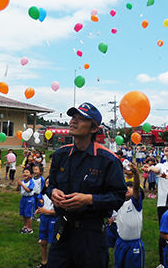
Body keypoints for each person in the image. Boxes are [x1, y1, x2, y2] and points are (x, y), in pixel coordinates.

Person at [46, 102, 126, 268]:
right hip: (62, 230)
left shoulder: (108, 160)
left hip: (92, 235)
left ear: (94, 128)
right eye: (73, 117)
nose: (73, 121)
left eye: (81, 119)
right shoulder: (61, 155)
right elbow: (50, 184)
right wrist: (52, 192)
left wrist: (89, 199)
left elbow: (118, 197)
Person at [114, 163, 145, 268]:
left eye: (130, 187)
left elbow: (136, 188)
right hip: (120, 243)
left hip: (134, 244)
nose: (128, 188)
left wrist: (136, 173)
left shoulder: (135, 203)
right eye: (126, 186)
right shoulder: (118, 203)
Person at [35, 177, 57, 268]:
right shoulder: (43, 193)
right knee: (43, 242)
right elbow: (43, 205)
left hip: (53, 220)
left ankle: (54, 263)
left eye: (50, 183)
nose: (48, 185)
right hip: (44, 219)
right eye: (47, 183)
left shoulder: (57, 195)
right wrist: (39, 210)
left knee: (53, 244)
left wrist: (46, 211)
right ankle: (44, 262)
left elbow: (59, 211)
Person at [18, 167, 35, 234]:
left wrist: (21, 184)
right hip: (23, 198)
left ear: (31, 175)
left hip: (29, 199)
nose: (25, 173)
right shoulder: (22, 182)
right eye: (24, 172)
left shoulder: (31, 182)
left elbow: (28, 190)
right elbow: (19, 189)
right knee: (23, 213)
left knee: (28, 214)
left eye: (27, 172)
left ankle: (30, 229)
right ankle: (25, 226)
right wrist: (18, 185)